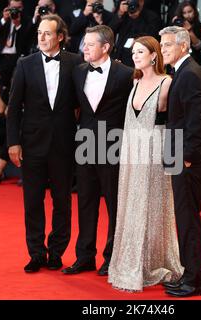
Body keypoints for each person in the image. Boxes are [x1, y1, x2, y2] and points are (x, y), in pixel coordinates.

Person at [7, 14, 82, 273]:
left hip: (63, 143)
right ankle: (36, 252)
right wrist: (13, 143)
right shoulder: (25, 64)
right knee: (33, 201)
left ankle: (57, 252)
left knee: (62, 201)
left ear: (60, 36)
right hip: (32, 144)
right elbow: (14, 108)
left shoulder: (75, 62)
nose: (42, 37)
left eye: (48, 33)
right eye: (40, 32)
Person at [107, 36, 183, 292]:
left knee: (153, 208)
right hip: (131, 154)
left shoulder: (167, 83)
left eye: (140, 52)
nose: (135, 56)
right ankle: (132, 261)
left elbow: (177, 117)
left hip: (155, 155)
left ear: (154, 55)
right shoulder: (135, 80)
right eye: (134, 52)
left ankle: (154, 261)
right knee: (131, 206)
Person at [62, 25, 133, 276]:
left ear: (106, 47)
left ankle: (112, 256)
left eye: (90, 44)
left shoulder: (126, 74)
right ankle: (85, 256)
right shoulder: (78, 71)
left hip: (114, 143)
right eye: (84, 43)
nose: (84, 48)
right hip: (85, 142)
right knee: (86, 201)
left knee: (114, 203)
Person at [159, 26, 201, 297]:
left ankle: (195, 280)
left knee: (188, 218)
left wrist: (188, 157)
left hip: (187, 158)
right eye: (162, 44)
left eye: (168, 45)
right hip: (180, 155)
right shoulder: (183, 72)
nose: (163, 49)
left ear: (183, 46)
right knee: (186, 217)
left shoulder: (189, 74)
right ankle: (192, 274)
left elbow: (197, 121)